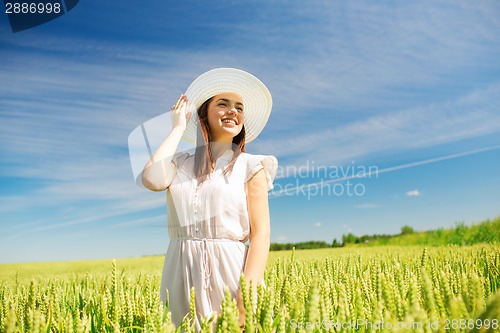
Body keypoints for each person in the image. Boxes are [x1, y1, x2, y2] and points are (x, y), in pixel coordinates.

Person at [141, 68, 278, 329]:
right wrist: (178, 128)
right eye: (223, 104)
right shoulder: (179, 163)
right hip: (180, 273)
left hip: (231, 274)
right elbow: (152, 180)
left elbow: (261, 235)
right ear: (204, 114)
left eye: (239, 107)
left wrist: (245, 300)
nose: (233, 111)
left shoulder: (251, 166)